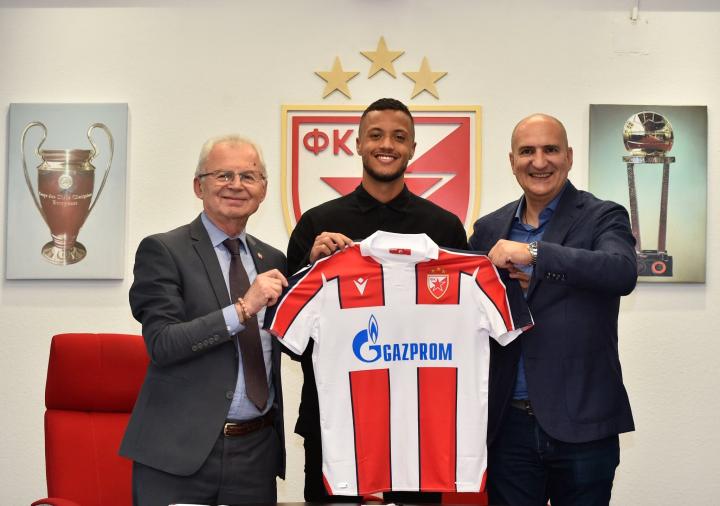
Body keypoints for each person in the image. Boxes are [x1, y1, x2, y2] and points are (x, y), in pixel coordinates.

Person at [286, 97, 468, 502]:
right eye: (376, 135)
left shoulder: (443, 228)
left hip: (419, 425)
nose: (387, 145)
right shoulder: (317, 224)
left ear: (413, 149)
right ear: (357, 144)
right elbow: (288, 337)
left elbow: (460, 331)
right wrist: (310, 270)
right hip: (335, 419)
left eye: (399, 137)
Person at [469, 114, 636, 506]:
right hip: (507, 427)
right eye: (527, 151)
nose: (539, 161)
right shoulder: (489, 229)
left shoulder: (603, 216)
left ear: (569, 156)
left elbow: (621, 271)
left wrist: (534, 254)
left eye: (551, 150)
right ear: (512, 161)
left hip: (583, 424)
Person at [120, 135, 288, 506]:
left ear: (262, 190)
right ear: (199, 186)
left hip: (256, 454)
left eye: (248, 176)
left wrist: (323, 263)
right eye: (223, 175)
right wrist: (243, 309)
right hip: (179, 454)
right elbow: (163, 344)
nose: (236, 185)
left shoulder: (273, 259)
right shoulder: (163, 250)